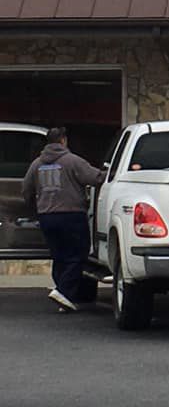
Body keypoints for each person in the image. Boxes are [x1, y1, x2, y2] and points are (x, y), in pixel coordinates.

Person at [21, 127, 105, 312]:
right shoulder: (72, 161)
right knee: (78, 254)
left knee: (59, 256)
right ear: (63, 141)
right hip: (71, 215)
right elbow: (96, 177)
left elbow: (26, 190)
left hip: (47, 217)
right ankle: (64, 291)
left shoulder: (36, 164)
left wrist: (35, 208)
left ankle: (63, 296)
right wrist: (111, 174)